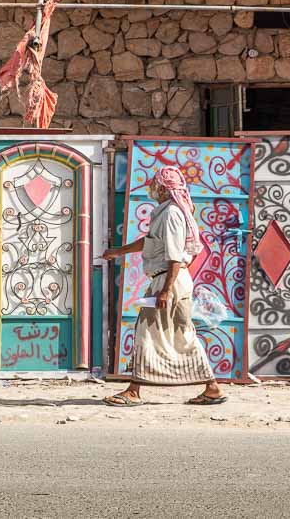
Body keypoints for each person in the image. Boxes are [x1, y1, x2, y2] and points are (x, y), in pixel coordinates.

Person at [101, 166, 227, 407]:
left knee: (146, 329)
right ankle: (212, 388)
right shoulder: (167, 213)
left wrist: (166, 290)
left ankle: (134, 391)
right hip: (174, 279)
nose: (152, 188)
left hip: (169, 280)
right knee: (183, 333)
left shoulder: (171, 214)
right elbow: (150, 242)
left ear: (163, 188)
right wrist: (119, 252)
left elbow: (175, 255)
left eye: (155, 184)